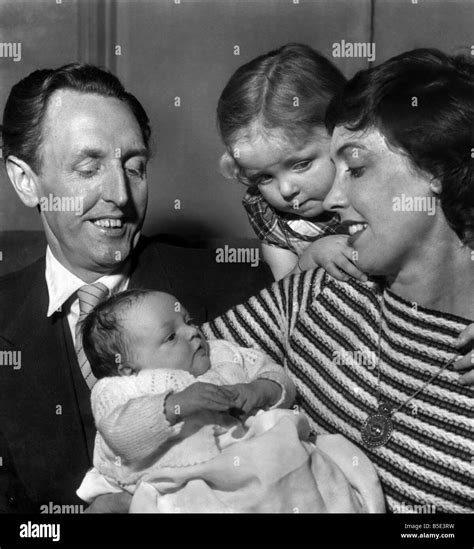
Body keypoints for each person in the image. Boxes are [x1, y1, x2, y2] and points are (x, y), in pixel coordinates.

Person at [203, 49, 474, 513]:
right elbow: (159, 382)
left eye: (358, 167)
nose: (331, 197)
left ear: (435, 173)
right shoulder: (317, 288)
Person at [0, 64, 272, 512]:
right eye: (89, 168)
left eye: (135, 167)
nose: (121, 196)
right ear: (26, 180)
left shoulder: (238, 283)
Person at [76, 289, 384, 513]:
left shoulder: (224, 353)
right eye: (171, 337)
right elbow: (119, 430)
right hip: (185, 482)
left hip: (269, 460)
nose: (193, 332)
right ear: (126, 367)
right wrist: (175, 405)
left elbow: (276, 375)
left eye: (188, 320)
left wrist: (262, 390)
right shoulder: (119, 389)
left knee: (321, 467)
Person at [217, 43, 367, 283]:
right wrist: (311, 258)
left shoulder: (374, 188)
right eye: (264, 177)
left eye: (301, 164)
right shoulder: (270, 215)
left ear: (342, 134)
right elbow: (283, 301)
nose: (286, 191)